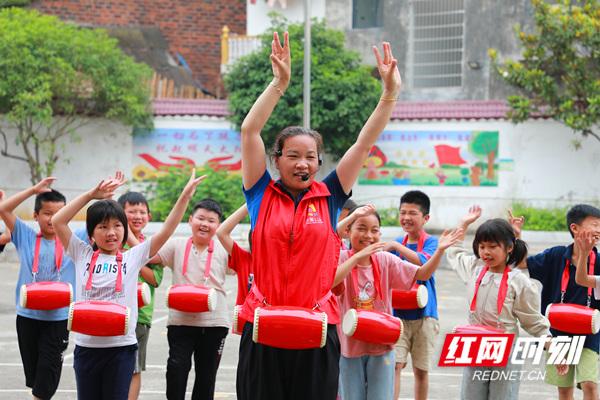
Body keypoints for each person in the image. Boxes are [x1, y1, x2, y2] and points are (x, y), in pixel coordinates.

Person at [236, 29, 402, 400]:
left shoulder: (329, 196)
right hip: (262, 325)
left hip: (316, 326)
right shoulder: (260, 193)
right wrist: (279, 83)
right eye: (293, 155)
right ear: (276, 160)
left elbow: (363, 143)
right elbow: (250, 130)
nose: (302, 163)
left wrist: (389, 95)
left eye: (310, 156)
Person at [52, 170, 206, 400]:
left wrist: (184, 197)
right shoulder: (81, 253)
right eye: (102, 227)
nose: (111, 232)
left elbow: (167, 230)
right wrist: (91, 195)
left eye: (117, 226)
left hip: (121, 349)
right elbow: (58, 221)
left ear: (125, 230)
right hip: (86, 349)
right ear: (91, 234)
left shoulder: (133, 257)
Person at [333, 205, 460, 400]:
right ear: (348, 231)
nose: (369, 235)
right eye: (361, 228)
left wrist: (440, 251)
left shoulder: (385, 260)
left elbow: (423, 273)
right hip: (349, 347)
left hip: (382, 345)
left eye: (374, 230)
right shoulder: (341, 258)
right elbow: (331, 281)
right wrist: (358, 256)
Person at [448, 205, 565, 400]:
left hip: (506, 349)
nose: (486, 252)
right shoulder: (474, 269)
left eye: (493, 247)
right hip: (475, 345)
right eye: (482, 246)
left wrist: (554, 349)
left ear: (509, 248)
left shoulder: (518, 281)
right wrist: (464, 223)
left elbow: (533, 321)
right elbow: (454, 251)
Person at [0, 179, 75, 400]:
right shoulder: (25, 235)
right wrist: (33, 190)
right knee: (34, 377)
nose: (53, 219)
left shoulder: (74, 239)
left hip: (59, 318)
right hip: (27, 316)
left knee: (46, 377)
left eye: (60, 213)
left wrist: (93, 196)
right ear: (35, 216)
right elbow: (4, 209)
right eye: (47, 213)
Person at [518, 204, 600, 400]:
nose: (598, 230)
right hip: (557, 335)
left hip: (590, 334)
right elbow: (522, 263)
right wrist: (517, 236)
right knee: (564, 389)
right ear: (575, 228)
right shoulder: (555, 256)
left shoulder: (599, 260)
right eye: (594, 224)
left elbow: (584, 280)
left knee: (590, 384)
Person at [152, 198, 230, 400]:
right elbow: (149, 256)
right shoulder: (176, 245)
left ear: (218, 226)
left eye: (211, 221)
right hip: (180, 321)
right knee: (176, 369)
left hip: (215, 323)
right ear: (190, 220)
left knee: (206, 376)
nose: (205, 224)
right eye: (200, 218)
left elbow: (251, 265)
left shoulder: (225, 248)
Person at [384, 190, 439, 400]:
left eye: (412, 213)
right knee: (395, 366)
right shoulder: (396, 243)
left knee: (421, 370)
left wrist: (396, 246)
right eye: (402, 212)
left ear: (425, 218)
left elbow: (424, 263)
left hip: (426, 316)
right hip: (397, 316)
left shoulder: (432, 243)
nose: (406, 217)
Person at [116, 192, 164, 400]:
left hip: (140, 317)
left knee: (134, 368)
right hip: (111, 313)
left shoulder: (153, 246)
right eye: (132, 211)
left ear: (149, 217)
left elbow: (155, 279)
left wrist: (138, 258)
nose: (138, 216)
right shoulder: (111, 240)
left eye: (142, 212)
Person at [215, 204, 253, 307]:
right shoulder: (244, 258)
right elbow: (221, 232)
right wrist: (251, 201)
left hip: (269, 318)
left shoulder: (279, 263)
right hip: (244, 319)